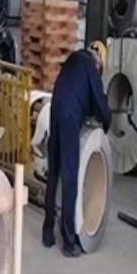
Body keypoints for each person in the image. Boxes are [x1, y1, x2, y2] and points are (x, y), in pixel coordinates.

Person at [43, 42, 111, 257]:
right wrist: (106, 124)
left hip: (55, 110)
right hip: (70, 117)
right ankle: (69, 241)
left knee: (53, 172)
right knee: (70, 177)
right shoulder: (90, 66)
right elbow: (99, 102)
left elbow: (78, 92)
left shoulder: (74, 60)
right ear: (99, 62)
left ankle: (47, 232)